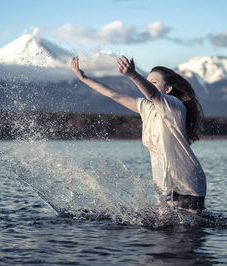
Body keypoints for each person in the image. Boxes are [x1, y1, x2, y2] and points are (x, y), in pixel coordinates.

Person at [71, 56, 206, 214]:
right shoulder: (146, 108)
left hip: (186, 183)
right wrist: (83, 78)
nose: (147, 85)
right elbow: (114, 95)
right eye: (147, 81)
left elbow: (154, 95)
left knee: (184, 234)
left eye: (153, 82)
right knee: (163, 234)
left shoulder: (174, 106)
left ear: (168, 89)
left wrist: (133, 75)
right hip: (165, 185)